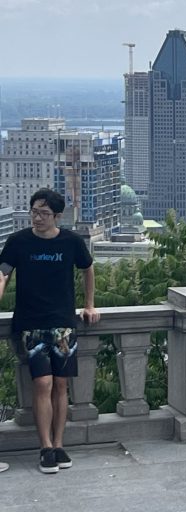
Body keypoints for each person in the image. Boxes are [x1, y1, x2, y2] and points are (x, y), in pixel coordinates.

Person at [0, 189, 100, 474]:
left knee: (61, 385)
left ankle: (58, 445)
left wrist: (90, 305)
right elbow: (3, 271)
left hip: (63, 322)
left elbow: (88, 268)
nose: (37, 218)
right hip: (32, 323)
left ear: (57, 216)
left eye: (44, 213)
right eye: (34, 211)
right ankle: (44, 447)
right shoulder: (18, 242)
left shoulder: (70, 241)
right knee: (42, 383)